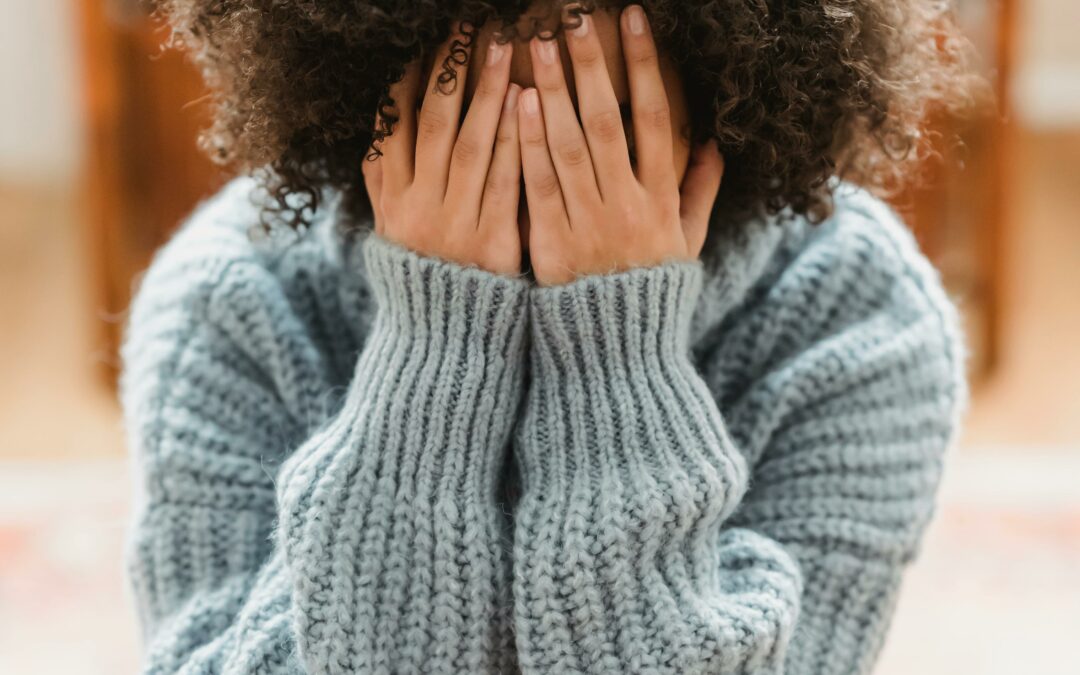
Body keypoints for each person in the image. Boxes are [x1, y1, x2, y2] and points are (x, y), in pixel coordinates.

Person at [122, 2, 973, 673]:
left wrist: (618, 353)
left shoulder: (859, 319)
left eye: (603, 124)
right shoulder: (230, 301)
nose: (544, 165)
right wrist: (433, 351)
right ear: (373, 104)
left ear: (721, 107)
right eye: (474, 125)